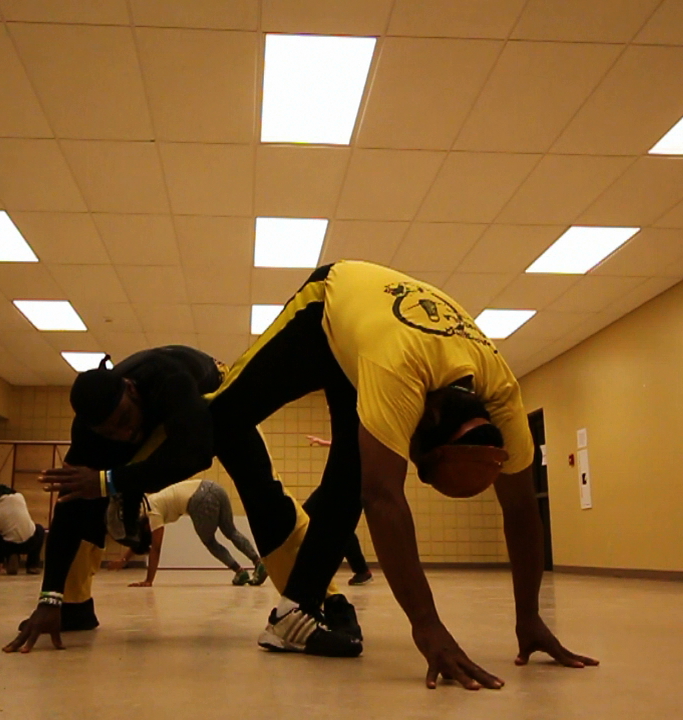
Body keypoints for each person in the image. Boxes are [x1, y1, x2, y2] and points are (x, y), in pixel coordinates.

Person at [202, 260, 595, 686]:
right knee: (217, 420)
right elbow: (383, 497)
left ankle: (293, 612)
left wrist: (530, 617)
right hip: (330, 301)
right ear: (429, 416)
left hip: (379, 333)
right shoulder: (399, 371)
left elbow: (521, 509)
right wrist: (427, 625)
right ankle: (147, 450)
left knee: (350, 476)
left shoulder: (503, 395)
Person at [4, 347, 225, 652]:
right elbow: (68, 511)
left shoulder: (168, 379)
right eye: (111, 431)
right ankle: (74, 607)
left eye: (124, 419)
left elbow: (197, 454)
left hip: (214, 394)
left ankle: (291, 600)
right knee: (82, 493)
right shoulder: (91, 432)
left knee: (251, 466)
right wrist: (49, 598)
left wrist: (109, 481)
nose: (125, 432)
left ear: (131, 390)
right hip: (153, 425)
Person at [105, 478, 267, 587]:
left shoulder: (152, 513)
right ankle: (258, 563)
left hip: (199, 500)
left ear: (145, 526)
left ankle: (240, 572)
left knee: (210, 541)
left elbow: (156, 547)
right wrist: (124, 559)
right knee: (231, 531)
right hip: (214, 487)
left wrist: (148, 580)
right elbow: (143, 539)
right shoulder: (151, 503)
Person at [307, 435, 373, 586]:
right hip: (339, 484)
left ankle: (361, 570)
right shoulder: (354, 442)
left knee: (334, 524)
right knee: (339, 527)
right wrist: (323, 442)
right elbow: (346, 445)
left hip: (345, 485)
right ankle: (361, 570)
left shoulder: (365, 440)